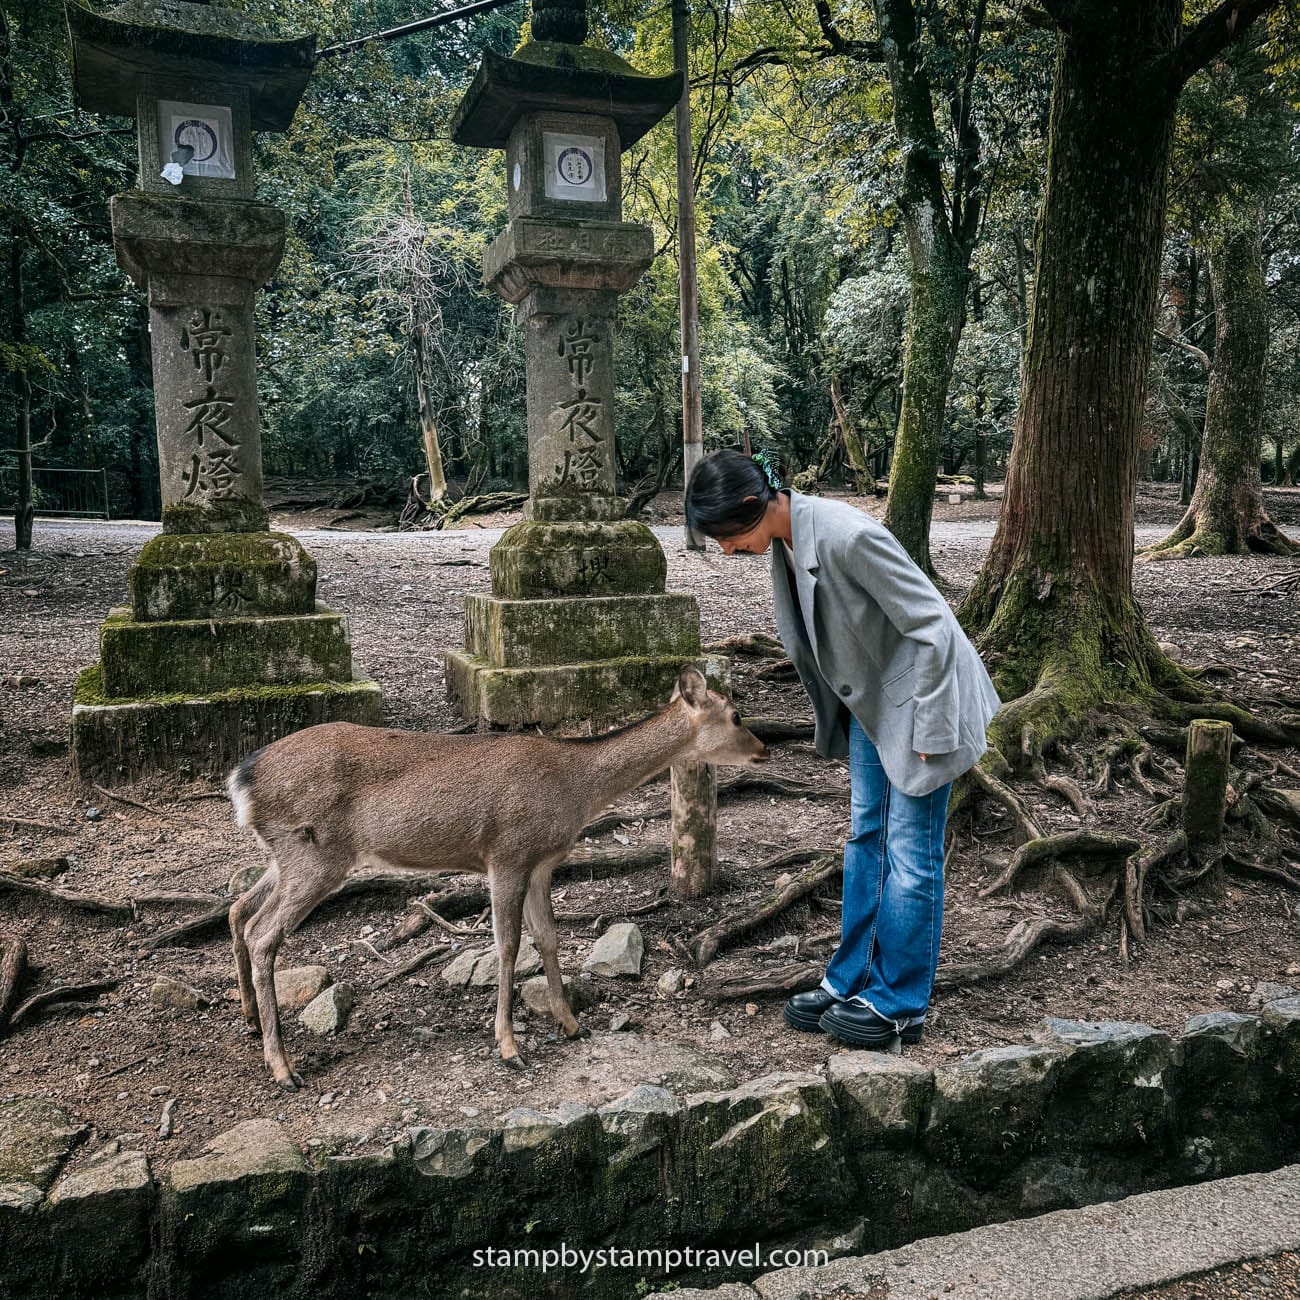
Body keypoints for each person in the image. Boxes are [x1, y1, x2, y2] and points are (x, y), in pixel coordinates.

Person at [685, 449, 1000, 1048]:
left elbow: (933, 625)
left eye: (727, 536)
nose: (727, 551)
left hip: (923, 706)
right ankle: (850, 976)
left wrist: (932, 733)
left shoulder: (847, 535)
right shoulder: (788, 538)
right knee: (865, 836)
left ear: (754, 506)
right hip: (873, 708)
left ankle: (899, 1001)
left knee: (910, 852)